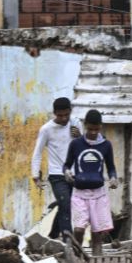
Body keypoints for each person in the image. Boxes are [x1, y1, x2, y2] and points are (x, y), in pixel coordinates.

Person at [63, 109, 119, 257]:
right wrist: (67, 172)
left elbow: (111, 167)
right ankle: (76, 257)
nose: (93, 132)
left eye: (96, 129)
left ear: (101, 126)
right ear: (85, 125)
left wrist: (113, 178)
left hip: (98, 193)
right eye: (90, 129)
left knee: (97, 231)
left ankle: (97, 260)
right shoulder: (76, 144)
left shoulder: (106, 145)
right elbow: (67, 164)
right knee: (79, 229)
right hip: (79, 192)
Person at [31, 96, 80, 239]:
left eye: (66, 114)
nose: (64, 118)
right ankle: (68, 241)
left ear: (70, 111)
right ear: (54, 113)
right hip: (57, 174)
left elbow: (84, 147)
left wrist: (80, 136)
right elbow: (37, 152)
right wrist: (35, 175)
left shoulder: (76, 123)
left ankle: (53, 235)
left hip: (74, 173)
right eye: (60, 115)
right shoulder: (46, 129)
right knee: (65, 203)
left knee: (66, 206)